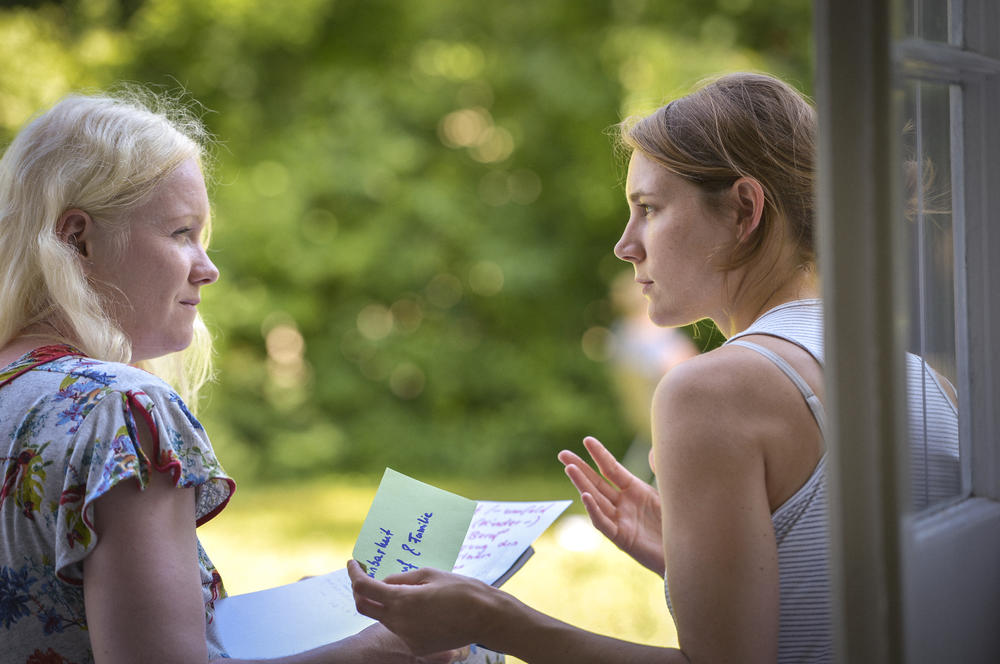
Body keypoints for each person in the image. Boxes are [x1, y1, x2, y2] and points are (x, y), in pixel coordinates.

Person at [348, 72, 959, 663]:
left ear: (745, 210)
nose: (625, 243)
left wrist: (494, 619)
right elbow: (844, 599)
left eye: (649, 208)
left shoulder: (712, 390)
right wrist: (688, 553)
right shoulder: (920, 376)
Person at [0, 90, 461, 664]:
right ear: (78, 238)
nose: (208, 267)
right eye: (180, 233)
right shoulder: (122, 408)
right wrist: (383, 650)